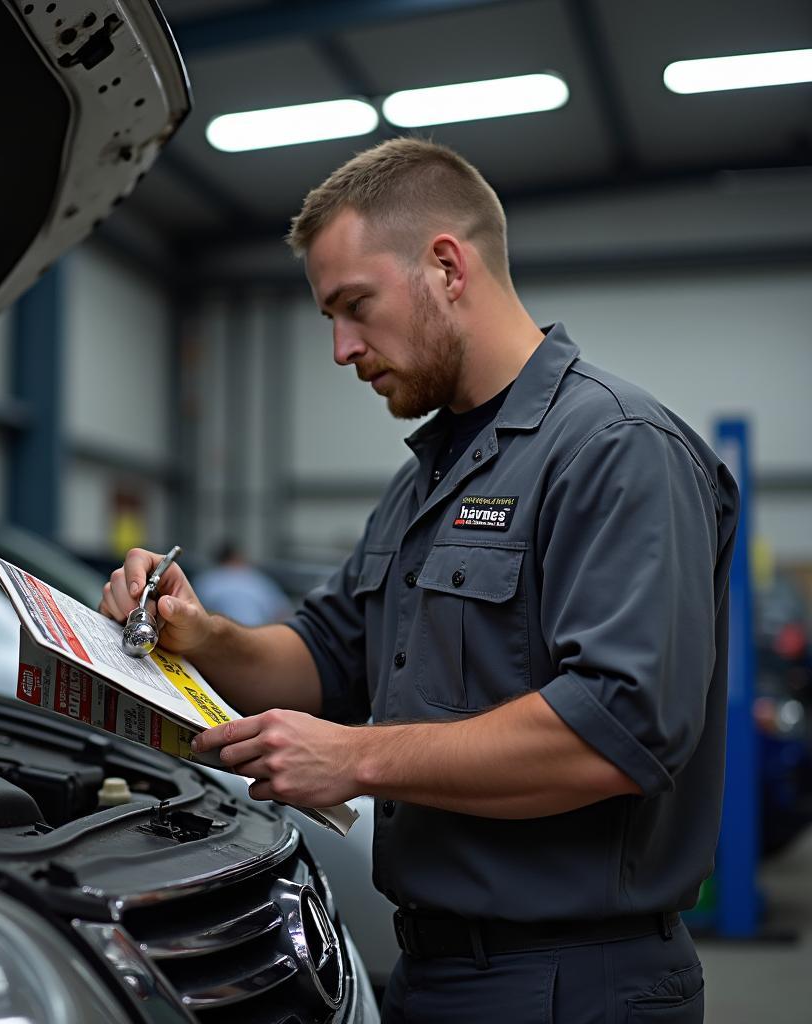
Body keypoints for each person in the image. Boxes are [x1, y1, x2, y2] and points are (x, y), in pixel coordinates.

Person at [100, 138, 739, 1023]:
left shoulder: (616, 449)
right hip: (436, 970)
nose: (340, 348)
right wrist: (202, 635)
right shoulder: (429, 480)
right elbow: (327, 658)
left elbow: (617, 730)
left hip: (574, 981)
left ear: (446, 265)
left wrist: (354, 758)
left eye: (354, 306)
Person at [193, 540, 291, 627]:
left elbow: (196, 613)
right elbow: (282, 614)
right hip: (257, 634)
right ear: (237, 557)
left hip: (219, 638)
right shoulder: (257, 579)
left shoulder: (205, 581)